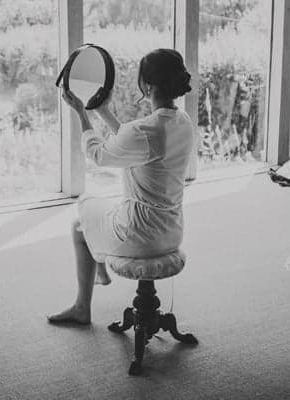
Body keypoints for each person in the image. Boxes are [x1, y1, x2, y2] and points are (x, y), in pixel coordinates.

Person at [47, 48, 196, 325]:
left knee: (81, 218)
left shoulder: (144, 130)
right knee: (94, 216)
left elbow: (99, 155)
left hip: (139, 235)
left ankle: (83, 304)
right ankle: (99, 264)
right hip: (172, 231)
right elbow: (136, 145)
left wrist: (82, 113)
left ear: (147, 85)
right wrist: (104, 112)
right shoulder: (183, 122)